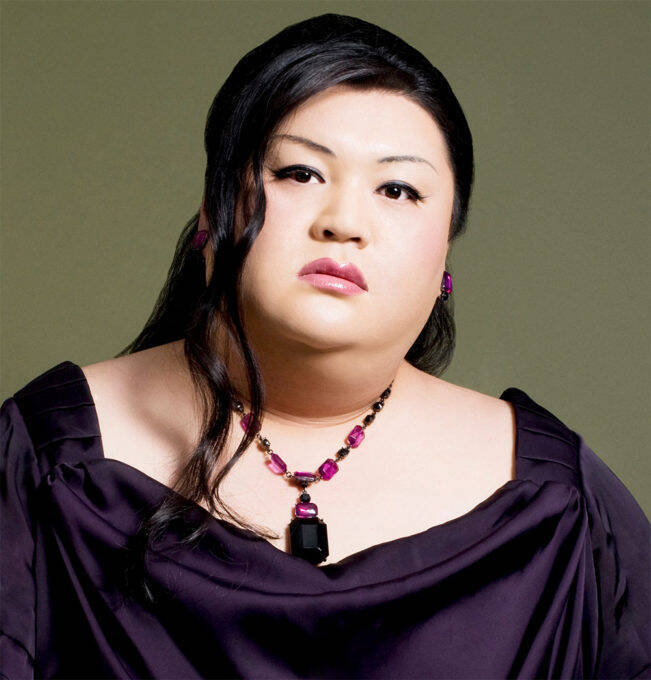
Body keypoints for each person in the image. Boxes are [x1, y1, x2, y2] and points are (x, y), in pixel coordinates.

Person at [1, 12, 648, 680]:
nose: (344, 222)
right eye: (301, 173)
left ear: (445, 258)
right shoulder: (45, 463)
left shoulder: (556, 503)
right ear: (213, 211)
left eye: (398, 189)